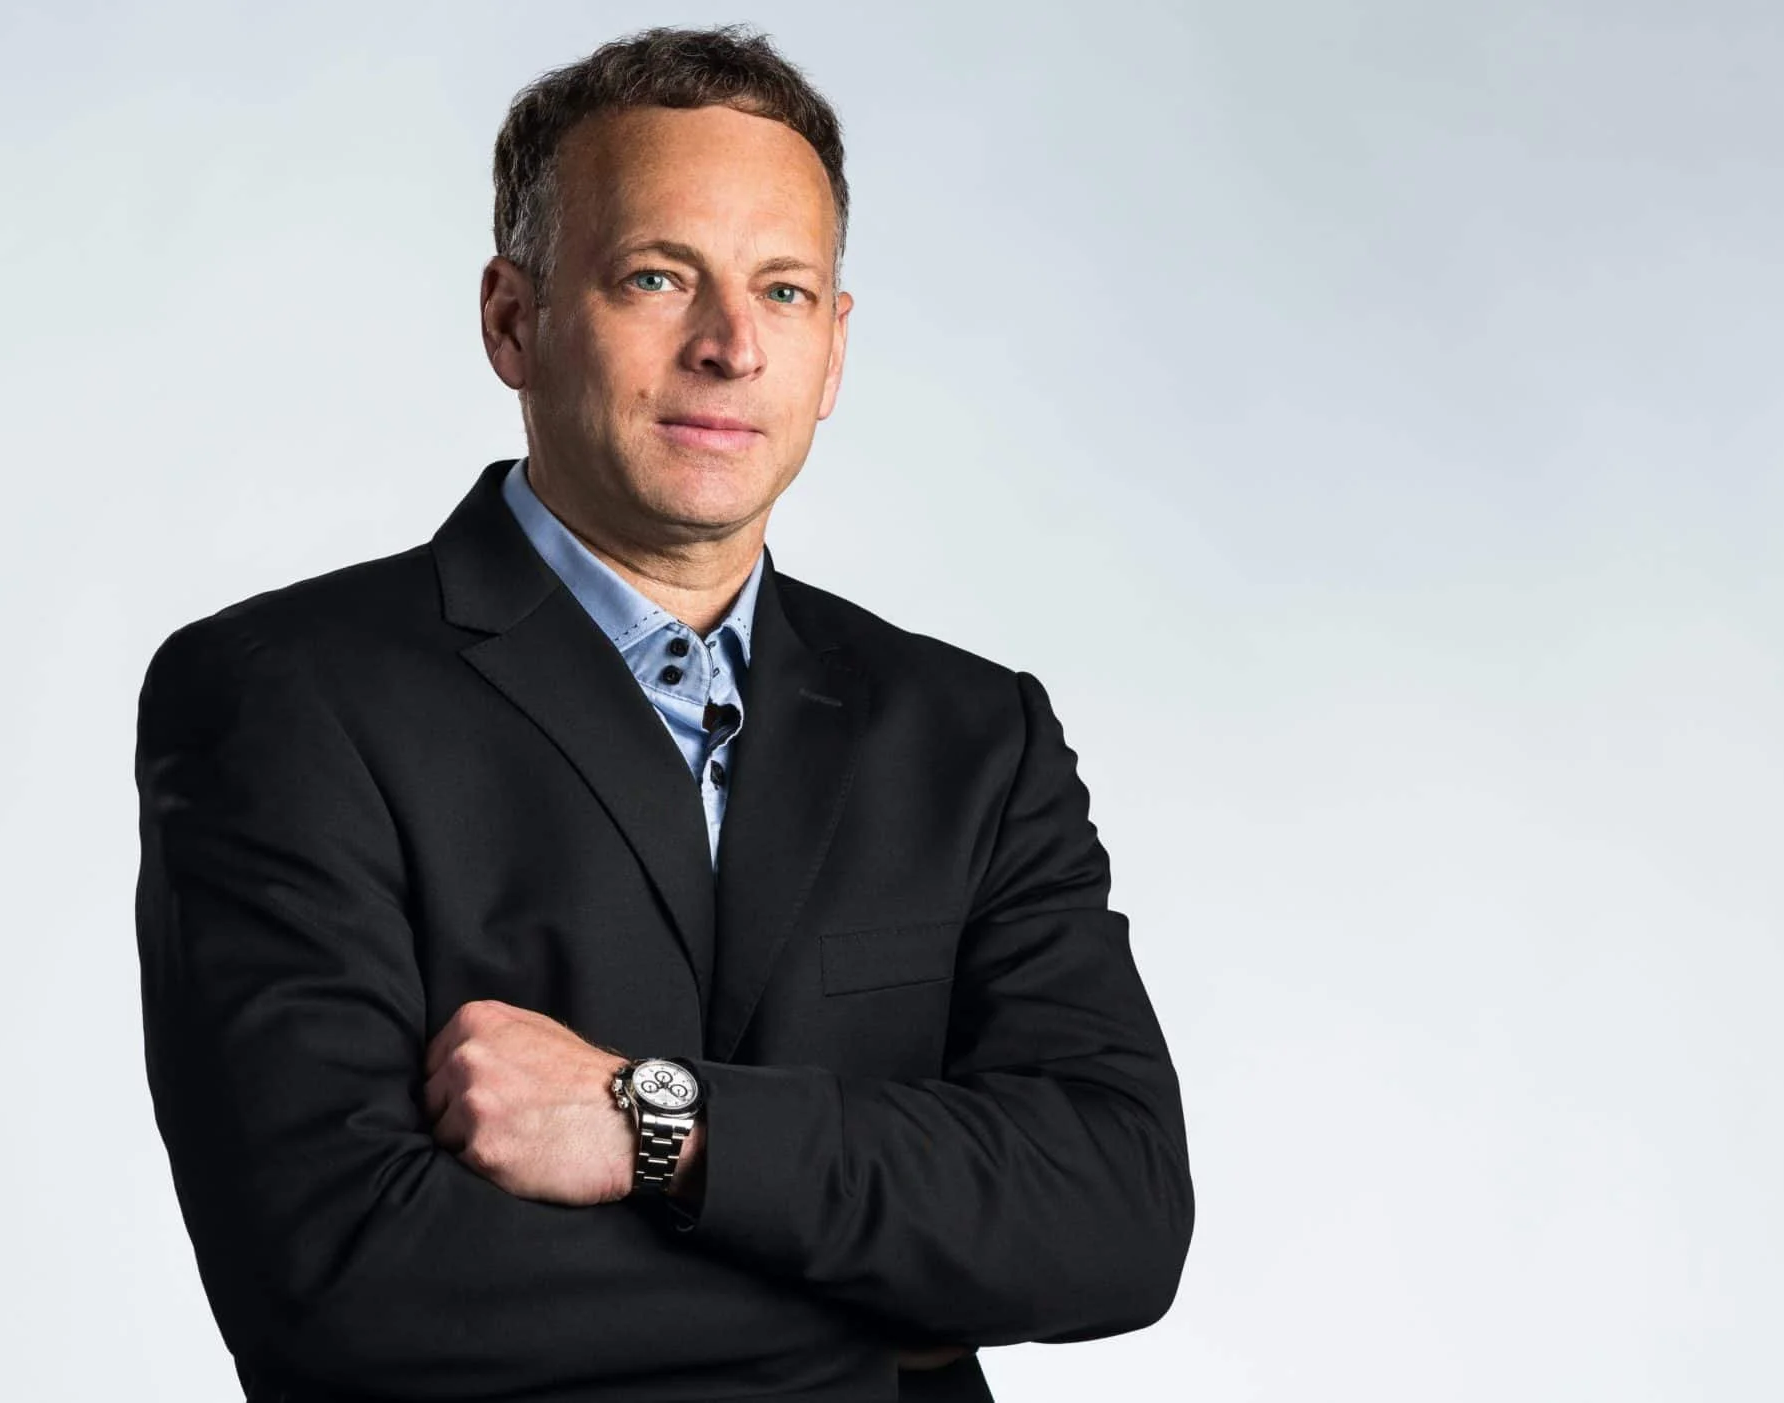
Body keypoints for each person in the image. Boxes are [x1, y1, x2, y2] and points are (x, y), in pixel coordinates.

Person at [133, 23, 1193, 1402]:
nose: (731, 345)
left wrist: (658, 1124)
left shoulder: (973, 738)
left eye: (786, 291)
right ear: (515, 319)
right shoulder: (282, 696)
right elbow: (345, 1284)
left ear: (836, 345)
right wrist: (888, 1312)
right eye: (655, 277)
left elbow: (1115, 1217)